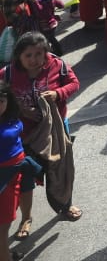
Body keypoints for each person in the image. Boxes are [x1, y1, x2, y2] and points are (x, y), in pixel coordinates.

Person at [2, 32, 82, 230]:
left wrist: (58, 93)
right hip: (24, 135)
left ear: (46, 53)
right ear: (19, 55)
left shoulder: (57, 65)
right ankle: (26, 218)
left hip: (55, 129)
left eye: (39, 54)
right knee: (24, 176)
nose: (34, 60)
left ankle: (65, 205)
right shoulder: (9, 73)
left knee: (60, 169)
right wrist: (20, 110)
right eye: (28, 55)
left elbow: (74, 83)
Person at [0, 81, 28, 261]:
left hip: (16, 173)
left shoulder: (9, 115)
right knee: (2, 227)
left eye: (0, 100)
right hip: (3, 181)